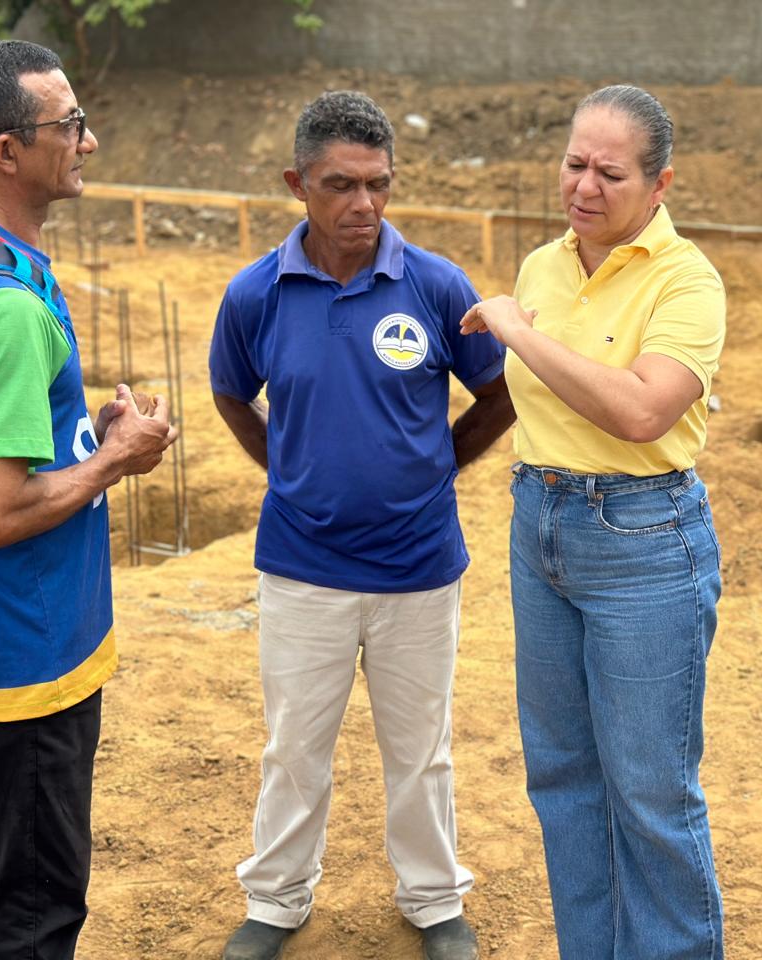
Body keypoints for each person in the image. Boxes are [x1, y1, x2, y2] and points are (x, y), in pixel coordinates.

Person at [209, 90, 512, 960]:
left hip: (419, 570)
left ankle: (433, 900)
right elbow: (232, 393)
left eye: (379, 184)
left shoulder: (434, 284)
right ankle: (275, 901)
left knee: (421, 750)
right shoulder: (255, 295)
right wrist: (288, 469)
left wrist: (437, 468)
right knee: (294, 747)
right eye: (340, 185)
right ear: (296, 183)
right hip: (301, 569)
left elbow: (498, 396)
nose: (364, 206)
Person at [461, 84, 726, 960]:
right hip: (541, 523)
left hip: (643, 540)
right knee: (564, 776)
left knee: (650, 792)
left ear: (660, 185)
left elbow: (644, 412)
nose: (584, 186)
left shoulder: (688, 282)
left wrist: (517, 332)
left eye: (610, 172)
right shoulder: (545, 265)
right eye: (575, 163)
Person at [0, 39, 177, 959]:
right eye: (68, 124)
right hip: (24, 659)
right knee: (31, 913)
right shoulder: (0, 307)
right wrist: (115, 459)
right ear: (7, 151)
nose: (89, 140)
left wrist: (84, 431)